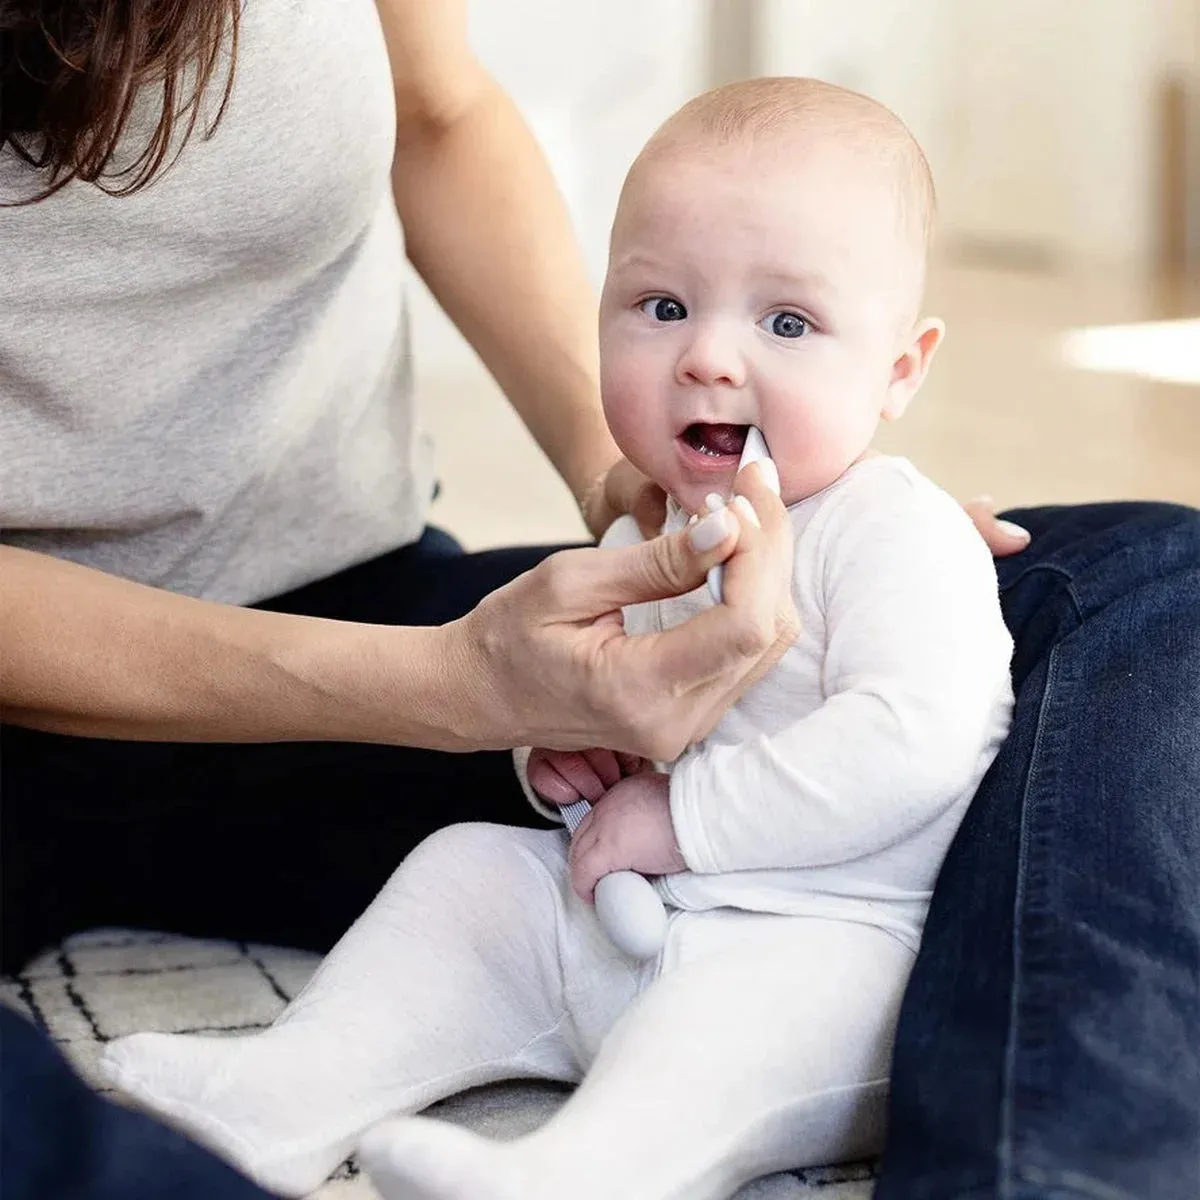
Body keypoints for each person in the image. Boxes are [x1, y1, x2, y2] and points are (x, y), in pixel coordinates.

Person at [0, 5, 1194, 1200]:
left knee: (1150, 572)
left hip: (799, 935)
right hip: (53, 715)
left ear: (899, 370)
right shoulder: (657, 534)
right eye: (663, 308)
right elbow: (568, 736)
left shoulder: (878, 533)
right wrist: (526, 741)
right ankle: (282, 1094)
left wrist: (606, 723)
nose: (710, 361)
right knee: (472, 874)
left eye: (787, 323)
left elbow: (917, 739)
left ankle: (597, 1172)